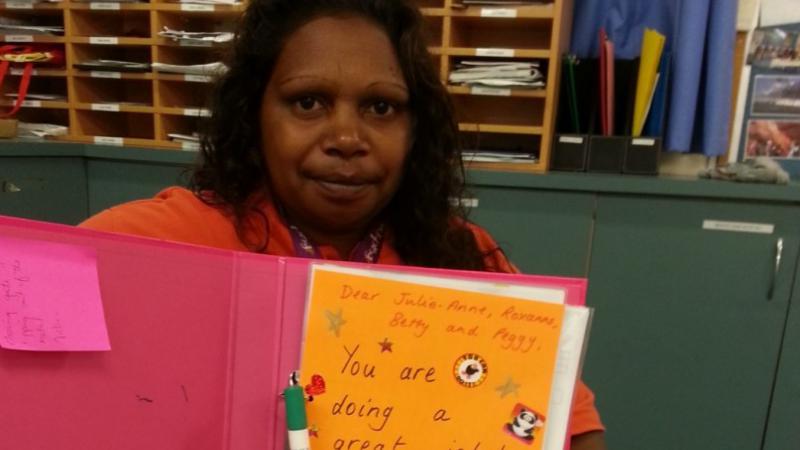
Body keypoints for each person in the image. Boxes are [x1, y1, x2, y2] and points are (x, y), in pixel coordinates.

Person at [81, 0, 606, 447]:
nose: (347, 138)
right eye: (308, 102)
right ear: (255, 113)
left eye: (381, 107)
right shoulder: (164, 240)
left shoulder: (461, 257)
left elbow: (575, 427)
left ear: (415, 127)